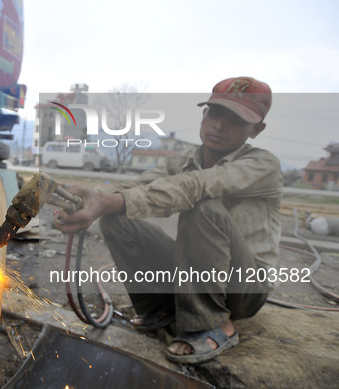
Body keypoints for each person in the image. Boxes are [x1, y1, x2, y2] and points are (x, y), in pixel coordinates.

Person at [54, 77, 283, 364]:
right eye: (215, 113)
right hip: (201, 275)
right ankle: (160, 307)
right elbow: (138, 187)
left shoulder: (262, 165)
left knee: (202, 207)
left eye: (235, 119)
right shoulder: (183, 159)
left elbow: (196, 186)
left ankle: (212, 322)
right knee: (116, 218)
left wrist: (108, 201)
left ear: (256, 130)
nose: (219, 125)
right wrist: (93, 200)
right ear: (204, 114)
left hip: (246, 287)